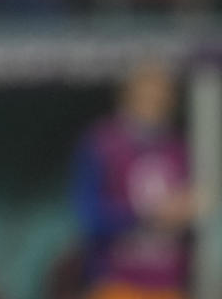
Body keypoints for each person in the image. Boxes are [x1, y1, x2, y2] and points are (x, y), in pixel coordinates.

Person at [71, 62, 197, 299]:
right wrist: (150, 214)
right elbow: (89, 215)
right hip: (116, 283)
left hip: (169, 285)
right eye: (147, 95)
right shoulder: (103, 144)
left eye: (162, 96)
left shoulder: (179, 150)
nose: (155, 103)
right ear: (128, 96)